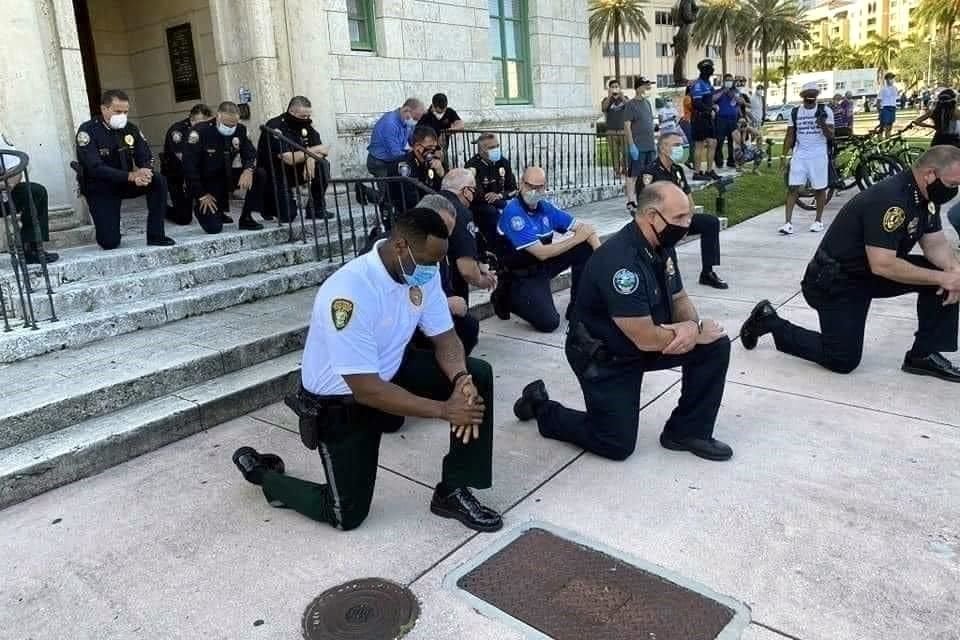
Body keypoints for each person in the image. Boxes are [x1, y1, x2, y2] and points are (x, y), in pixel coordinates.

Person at [232, 207, 502, 532]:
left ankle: (453, 490)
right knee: (345, 515)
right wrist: (445, 410)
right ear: (400, 246)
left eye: (438, 262)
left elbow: (446, 339)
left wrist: (461, 380)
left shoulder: (422, 271)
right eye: (429, 262)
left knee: (477, 376)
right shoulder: (348, 292)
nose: (433, 271)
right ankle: (264, 476)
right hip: (343, 399)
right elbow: (365, 389)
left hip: (390, 372)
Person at [512, 182, 733, 462]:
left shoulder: (662, 244)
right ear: (652, 216)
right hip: (606, 357)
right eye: (679, 217)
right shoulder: (620, 263)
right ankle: (541, 407)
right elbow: (646, 338)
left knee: (714, 345)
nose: (687, 223)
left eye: (688, 216)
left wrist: (693, 327)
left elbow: (678, 297)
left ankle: (687, 432)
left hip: (644, 341)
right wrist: (692, 331)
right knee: (615, 443)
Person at [740, 146, 960, 382]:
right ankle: (769, 321)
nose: (955, 190)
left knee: (944, 274)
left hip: (869, 272)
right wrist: (942, 278)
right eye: (953, 184)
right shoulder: (891, 199)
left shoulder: (925, 195)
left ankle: (923, 355)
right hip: (837, 281)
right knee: (842, 359)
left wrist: (954, 272)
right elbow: (883, 264)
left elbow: (935, 243)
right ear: (929, 174)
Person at [490, 167, 600, 332]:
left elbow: (586, 229)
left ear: (545, 187)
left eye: (539, 187)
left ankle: (577, 307)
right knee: (549, 323)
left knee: (584, 247)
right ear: (521, 184)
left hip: (543, 266)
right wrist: (577, 237)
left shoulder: (545, 207)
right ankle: (507, 297)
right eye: (530, 186)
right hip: (520, 274)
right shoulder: (514, 213)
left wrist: (601, 256)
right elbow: (541, 253)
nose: (534, 191)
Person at [74, 89, 175, 250]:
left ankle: (156, 235)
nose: (122, 115)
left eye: (125, 112)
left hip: (126, 183)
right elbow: (95, 168)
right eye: (118, 111)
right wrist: (131, 176)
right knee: (109, 242)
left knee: (158, 180)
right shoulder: (88, 131)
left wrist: (145, 170)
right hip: (101, 187)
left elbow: (145, 155)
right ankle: (111, 227)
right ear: (104, 109)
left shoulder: (130, 128)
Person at [641, 133, 728, 289]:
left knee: (711, 223)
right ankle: (667, 279)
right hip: (661, 224)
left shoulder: (677, 170)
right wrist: (675, 226)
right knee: (667, 241)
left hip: (680, 219)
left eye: (681, 145)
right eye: (676, 145)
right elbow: (646, 206)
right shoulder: (650, 173)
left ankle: (707, 273)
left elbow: (688, 198)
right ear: (663, 148)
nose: (680, 149)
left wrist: (686, 222)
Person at [244, 96, 330, 224]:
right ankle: (268, 207)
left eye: (308, 116)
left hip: (295, 171)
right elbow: (289, 158)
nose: (306, 119)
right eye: (303, 116)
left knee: (323, 165)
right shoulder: (275, 126)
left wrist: (311, 158)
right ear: (291, 111)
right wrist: (312, 153)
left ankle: (316, 208)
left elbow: (324, 151)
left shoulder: (307, 125)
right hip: (275, 175)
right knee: (288, 216)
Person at [415, 193, 482, 355]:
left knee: (468, 326)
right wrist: (445, 303)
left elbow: (443, 287)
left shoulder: (436, 251)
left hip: (431, 319)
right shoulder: (395, 250)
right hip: (402, 332)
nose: (443, 240)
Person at [181, 102, 258, 234]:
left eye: (233, 124)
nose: (230, 128)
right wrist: (201, 195)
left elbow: (250, 153)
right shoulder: (199, 131)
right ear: (218, 117)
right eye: (227, 125)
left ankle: (246, 218)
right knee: (214, 228)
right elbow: (189, 166)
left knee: (259, 174)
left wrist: (248, 169)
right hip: (206, 184)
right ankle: (201, 208)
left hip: (226, 176)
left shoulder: (240, 130)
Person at [780, 82, 834, 235]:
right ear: (802, 97)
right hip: (800, 154)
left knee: (819, 188)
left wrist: (822, 124)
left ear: (816, 96)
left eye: (813, 96)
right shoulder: (795, 112)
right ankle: (787, 223)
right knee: (793, 187)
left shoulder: (826, 111)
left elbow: (831, 136)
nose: (810, 99)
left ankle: (818, 221)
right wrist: (783, 156)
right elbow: (790, 135)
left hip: (818, 154)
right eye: (807, 96)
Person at [438, 169, 498, 302]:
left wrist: (479, 263)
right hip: (447, 289)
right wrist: (482, 281)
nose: (474, 195)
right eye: (473, 190)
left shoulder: (428, 203)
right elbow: (467, 269)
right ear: (465, 191)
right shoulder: (459, 212)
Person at [0, 134, 58, 263]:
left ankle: (31, 248)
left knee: (36, 191)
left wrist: (7, 184)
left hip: (3, 195)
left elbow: (16, 169)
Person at [162, 103, 212, 225]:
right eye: (200, 123)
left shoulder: (207, 128)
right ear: (192, 119)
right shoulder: (177, 131)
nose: (203, 126)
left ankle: (216, 212)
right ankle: (162, 209)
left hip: (195, 173)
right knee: (184, 218)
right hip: (177, 175)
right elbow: (183, 158)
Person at [464, 133, 518, 244]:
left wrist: (499, 196)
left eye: (497, 146)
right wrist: (495, 199)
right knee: (491, 212)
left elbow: (513, 188)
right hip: (481, 205)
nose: (496, 149)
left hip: (501, 200)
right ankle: (493, 244)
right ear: (482, 150)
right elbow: (477, 194)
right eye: (492, 147)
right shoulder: (472, 165)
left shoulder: (503, 162)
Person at [387, 126, 445, 210]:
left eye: (435, 147)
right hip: (404, 211)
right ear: (417, 146)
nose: (433, 151)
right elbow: (411, 197)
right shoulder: (404, 165)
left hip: (426, 206)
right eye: (429, 147)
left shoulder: (430, 162)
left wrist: (441, 173)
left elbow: (441, 188)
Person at [367, 98, 426, 177]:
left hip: (391, 160)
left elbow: (412, 139)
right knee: (392, 184)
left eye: (418, 120)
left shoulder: (407, 121)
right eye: (415, 118)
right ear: (406, 110)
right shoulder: (390, 123)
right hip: (379, 163)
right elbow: (395, 153)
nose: (415, 122)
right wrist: (411, 153)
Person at [624, 76, 656, 213]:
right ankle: (631, 200)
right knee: (633, 174)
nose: (647, 87)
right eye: (644, 85)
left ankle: (645, 199)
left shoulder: (647, 103)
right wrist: (632, 145)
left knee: (648, 174)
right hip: (638, 146)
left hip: (649, 145)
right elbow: (627, 126)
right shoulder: (631, 105)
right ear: (638, 87)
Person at [691, 59, 719, 181]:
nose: (712, 70)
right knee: (699, 145)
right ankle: (696, 173)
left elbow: (709, 100)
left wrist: (714, 106)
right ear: (703, 70)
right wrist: (709, 110)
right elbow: (697, 103)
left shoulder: (708, 83)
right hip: (700, 118)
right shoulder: (698, 84)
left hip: (708, 118)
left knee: (713, 143)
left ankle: (709, 170)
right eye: (709, 68)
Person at [713, 73, 741, 169]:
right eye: (727, 80)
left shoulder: (735, 91)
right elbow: (713, 99)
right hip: (721, 120)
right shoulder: (718, 91)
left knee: (731, 141)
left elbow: (740, 101)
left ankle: (731, 160)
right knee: (720, 141)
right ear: (724, 81)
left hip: (733, 120)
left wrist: (732, 95)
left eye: (731, 80)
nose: (729, 82)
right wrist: (723, 92)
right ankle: (719, 161)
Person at [601, 80, 628, 175]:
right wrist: (609, 96)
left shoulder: (625, 98)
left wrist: (622, 96)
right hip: (611, 131)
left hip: (623, 130)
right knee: (614, 153)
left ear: (620, 88)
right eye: (613, 87)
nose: (615, 88)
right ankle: (617, 171)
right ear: (609, 88)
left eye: (616, 86)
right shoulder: (606, 99)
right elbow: (604, 108)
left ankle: (625, 168)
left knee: (626, 152)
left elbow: (630, 107)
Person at [877, 72, 899, 138]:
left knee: (890, 125)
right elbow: (878, 100)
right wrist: (879, 111)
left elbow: (894, 99)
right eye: (890, 78)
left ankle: (887, 139)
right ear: (886, 80)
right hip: (885, 108)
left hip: (893, 107)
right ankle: (880, 138)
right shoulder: (883, 89)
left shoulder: (895, 88)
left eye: (892, 78)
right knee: (883, 125)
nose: (891, 80)